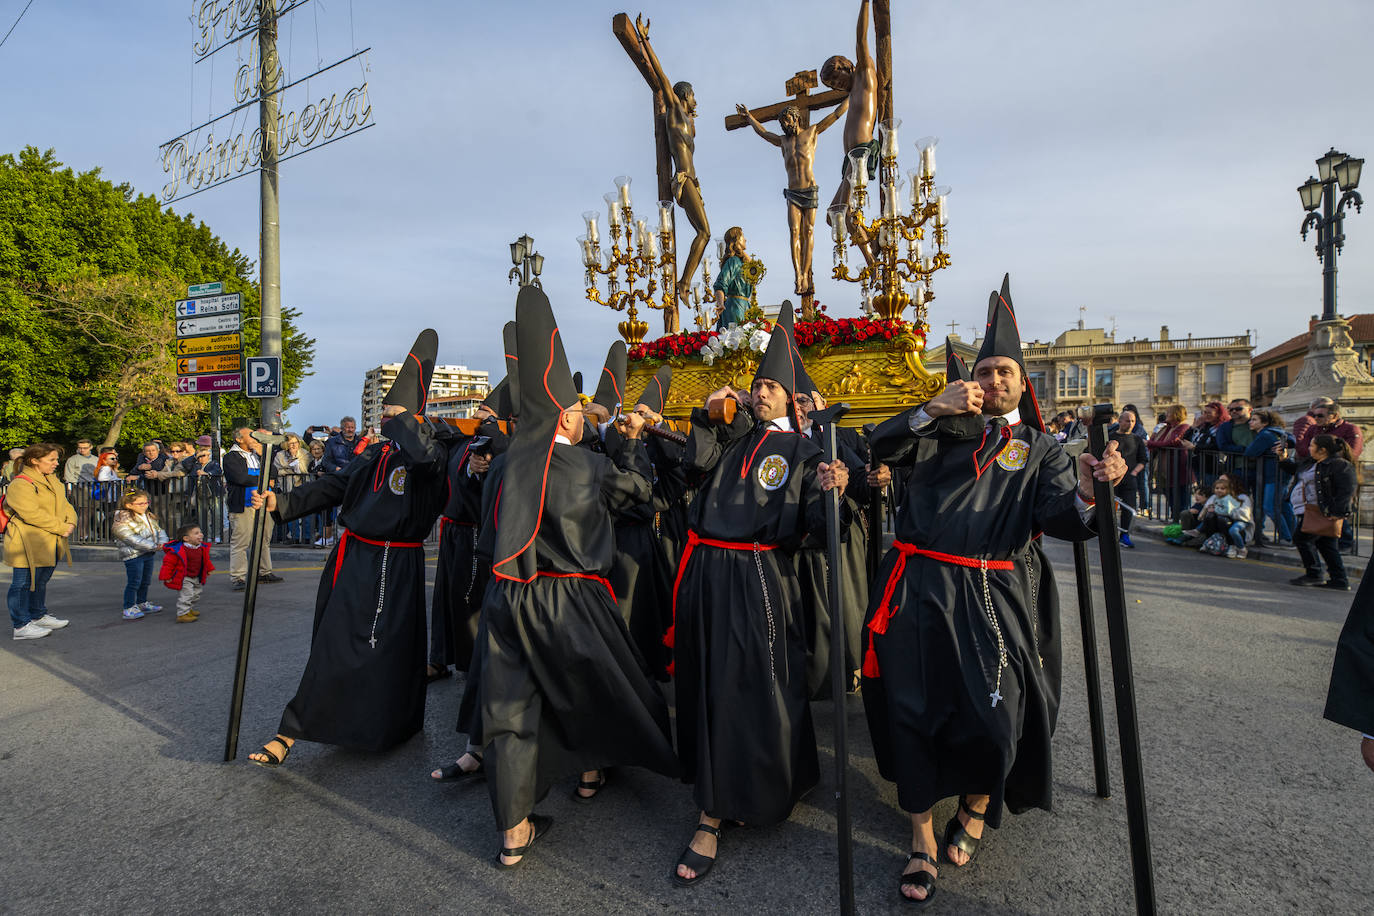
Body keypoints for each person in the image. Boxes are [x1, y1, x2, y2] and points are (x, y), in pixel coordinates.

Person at [861, 276, 1126, 905]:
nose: (994, 378)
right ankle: (921, 838)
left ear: (1021, 380)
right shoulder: (934, 433)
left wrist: (1095, 491)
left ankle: (977, 806)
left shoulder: (1039, 450)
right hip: (918, 587)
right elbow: (876, 445)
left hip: (990, 593)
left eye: (1005, 369)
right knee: (914, 713)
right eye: (985, 369)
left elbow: (1064, 519)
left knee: (998, 715)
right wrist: (930, 409)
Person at [479, 289, 679, 868]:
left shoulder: (507, 459)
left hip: (508, 593)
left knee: (511, 712)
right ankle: (593, 771)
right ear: (566, 413)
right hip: (571, 595)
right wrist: (634, 452)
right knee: (596, 685)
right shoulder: (589, 464)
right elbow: (641, 495)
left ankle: (514, 832)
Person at [668, 303, 849, 885]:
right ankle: (716, 795)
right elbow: (692, 470)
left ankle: (721, 810)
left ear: (791, 395)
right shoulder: (735, 440)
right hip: (708, 573)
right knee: (712, 685)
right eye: (758, 385)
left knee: (761, 688)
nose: (762, 393)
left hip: (760, 576)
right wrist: (710, 412)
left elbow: (820, 535)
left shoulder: (803, 450)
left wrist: (833, 494)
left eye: (771, 385)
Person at [246, 330, 449, 768]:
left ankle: (385, 724)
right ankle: (292, 730)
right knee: (334, 643)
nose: (385, 419)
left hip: (395, 562)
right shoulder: (373, 453)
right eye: (385, 412)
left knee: (388, 649)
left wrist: (405, 421)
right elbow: (334, 485)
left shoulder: (432, 457)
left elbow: (421, 459)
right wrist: (282, 502)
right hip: (354, 557)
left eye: (394, 414)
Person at [429, 390, 508, 681]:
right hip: (451, 528)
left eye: (485, 409)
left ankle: (471, 662)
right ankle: (439, 658)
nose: (477, 413)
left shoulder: (496, 442)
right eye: (479, 408)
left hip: (473, 531)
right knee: (444, 599)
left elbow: (491, 476)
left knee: (468, 599)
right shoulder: (462, 438)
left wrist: (479, 469)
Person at [736, 98, 848, 298]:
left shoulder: (811, 132)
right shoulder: (783, 141)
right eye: (782, 123)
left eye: (787, 120)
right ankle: (798, 275)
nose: (784, 125)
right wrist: (749, 117)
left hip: (809, 190)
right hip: (793, 192)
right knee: (794, 232)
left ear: (796, 118)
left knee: (808, 231)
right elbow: (763, 133)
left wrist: (852, 94)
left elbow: (835, 115)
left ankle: (806, 274)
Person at [635, 15, 710, 305]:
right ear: (685, 96)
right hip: (682, 179)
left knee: (703, 232)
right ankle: (683, 283)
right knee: (704, 231)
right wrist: (644, 40)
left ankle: (684, 282)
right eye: (693, 96)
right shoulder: (676, 113)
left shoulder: (687, 121)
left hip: (693, 181)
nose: (696, 101)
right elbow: (663, 77)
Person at [5, 444, 75, 640]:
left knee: (40, 581)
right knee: (22, 583)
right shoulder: (20, 483)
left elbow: (65, 505)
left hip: (49, 540)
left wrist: (71, 521)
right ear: (35, 461)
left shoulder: (53, 481)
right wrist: (62, 527)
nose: (56, 463)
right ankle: (21, 625)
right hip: (26, 542)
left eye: (56, 459)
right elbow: (30, 513)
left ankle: (37, 615)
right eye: (51, 460)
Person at [822, 0, 879, 220]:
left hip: (861, 151)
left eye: (837, 79)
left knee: (841, 214)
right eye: (833, 85)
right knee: (833, 216)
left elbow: (861, 38)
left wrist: (865, 3)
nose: (838, 85)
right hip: (851, 157)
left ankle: (872, 250)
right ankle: (871, 246)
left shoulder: (864, 74)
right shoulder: (852, 92)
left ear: (848, 67)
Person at [1289, 435, 1355, 590]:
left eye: (1312, 445)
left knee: (1302, 538)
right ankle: (1339, 579)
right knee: (1326, 544)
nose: (1309, 448)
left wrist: (1338, 511)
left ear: (1323, 449)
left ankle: (1314, 574)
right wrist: (1283, 458)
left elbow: (1347, 489)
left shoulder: (1339, 465)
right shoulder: (1313, 462)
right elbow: (1295, 470)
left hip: (1323, 511)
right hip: (1311, 509)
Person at [222, 427, 282, 591]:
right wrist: (264, 480)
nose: (255, 437)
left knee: (264, 539)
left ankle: (264, 572)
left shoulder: (258, 454)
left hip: (263, 502)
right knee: (241, 541)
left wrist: (264, 455)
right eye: (251, 435)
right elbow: (240, 477)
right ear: (239, 439)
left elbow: (274, 472)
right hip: (244, 504)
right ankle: (238, 576)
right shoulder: (231, 457)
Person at [112, 489, 167, 620]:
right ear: (128, 505)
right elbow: (130, 538)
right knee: (134, 581)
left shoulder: (147, 515)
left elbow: (159, 530)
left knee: (145, 580)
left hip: (148, 553)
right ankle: (129, 607)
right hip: (133, 555)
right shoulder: (122, 519)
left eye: (146, 502)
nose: (144, 505)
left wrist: (162, 543)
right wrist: (154, 546)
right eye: (140, 503)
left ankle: (142, 602)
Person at [1245, 408, 1296, 544]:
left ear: (1264, 423)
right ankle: (1293, 537)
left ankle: (1286, 537)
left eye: (1254, 420)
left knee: (1270, 506)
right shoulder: (1277, 432)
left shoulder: (1265, 435)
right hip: (1280, 473)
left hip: (1273, 474)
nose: (1250, 422)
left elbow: (1250, 453)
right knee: (1284, 507)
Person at [1184, 474, 1254, 558]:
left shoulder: (1242, 497)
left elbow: (1245, 515)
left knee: (1223, 519)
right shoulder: (1216, 496)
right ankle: (1208, 539)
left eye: (1224, 481)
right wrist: (1208, 510)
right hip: (1219, 528)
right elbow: (1206, 509)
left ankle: (1233, 546)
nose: (1220, 484)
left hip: (1237, 526)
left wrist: (1226, 512)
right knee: (1211, 515)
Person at [159, 522, 215, 622]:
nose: (201, 534)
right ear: (186, 538)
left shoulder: (201, 548)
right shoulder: (178, 550)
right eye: (196, 533)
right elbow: (168, 564)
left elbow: (205, 560)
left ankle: (188, 609)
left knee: (196, 594)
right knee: (187, 595)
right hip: (184, 577)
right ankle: (182, 614)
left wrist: (209, 569)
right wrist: (166, 576)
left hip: (196, 576)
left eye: (200, 532)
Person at [1147, 404, 1191, 521]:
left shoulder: (1183, 427)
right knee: (1169, 494)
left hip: (1179, 467)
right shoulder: (1166, 428)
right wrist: (1152, 441)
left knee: (1180, 496)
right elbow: (1157, 441)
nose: (1166, 414)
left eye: (1169, 412)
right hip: (1166, 468)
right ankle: (1174, 517)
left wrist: (1150, 443)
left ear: (1176, 414)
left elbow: (1172, 442)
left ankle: (1181, 520)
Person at [1112, 410, 1148, 548]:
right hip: (1113, 479)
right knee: (1110, 508)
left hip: (1129, 479)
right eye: (1127, 420)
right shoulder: (1111, 437)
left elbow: (1143, 460)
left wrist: (1134, 473)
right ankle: (1109, 533)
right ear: (1120, 421)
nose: (1130, 424)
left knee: (1129, 508)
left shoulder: (1137, 439)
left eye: (1133, 421)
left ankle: (1125, 535)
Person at [711, 227, 753, 330]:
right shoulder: (734, 261)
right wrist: (720, 304)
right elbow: (720, 283)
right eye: (743, 237)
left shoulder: (742, 262)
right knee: (736, 338)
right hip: (735, 307)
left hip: (744, 307)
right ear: (737, 239)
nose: (746, 239)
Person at [272, 433, 309, 544]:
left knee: (307, 511)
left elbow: (304, 470)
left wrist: (293, 461)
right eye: (290, 443)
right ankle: (295, 537)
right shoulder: (280, 455)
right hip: (287, 487)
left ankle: (307, 537)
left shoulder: (304, 453)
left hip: (303, 485)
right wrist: (288, 468)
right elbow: (277, 471)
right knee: (290, 513)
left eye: (295, 443)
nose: (293, 445)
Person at [63, 438, 98, 540]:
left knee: (92, 511)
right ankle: (83, 534)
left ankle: (87, 532)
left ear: (91, 447)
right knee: (84, 511)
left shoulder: (96, 459)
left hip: (94, 488)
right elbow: (69, 476)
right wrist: (70, 489)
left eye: (85, 448)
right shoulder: (72, 460)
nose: (82, 450)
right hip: (80, 488)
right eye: (80, 448)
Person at [191, 445, 224, 542]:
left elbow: (218, 471)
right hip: (200, 493)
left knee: (217, 514)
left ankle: (217, 535)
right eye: (199, 457)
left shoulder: (213, 463)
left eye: (204, 455)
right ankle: (206, 535)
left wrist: (206, 473)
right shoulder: (196, 466)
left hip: (213, 492)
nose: (201, 458)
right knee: (202, 516)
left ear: (208, 455)